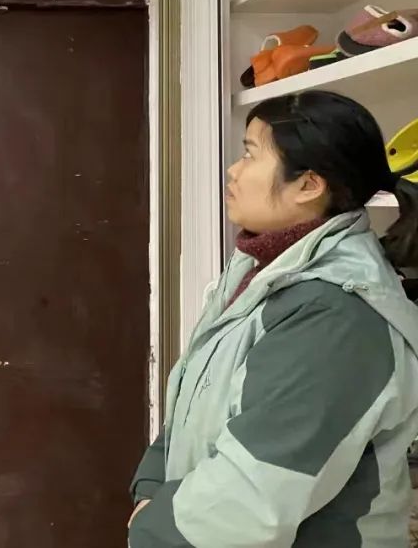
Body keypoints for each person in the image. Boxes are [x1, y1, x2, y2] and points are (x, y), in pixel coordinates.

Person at [129, 90, 418, 547]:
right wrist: (151, 490)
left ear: (308, 185)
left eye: (250, 154)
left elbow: (251, 500)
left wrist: (153, 528)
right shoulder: (259, 269)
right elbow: (196, 402)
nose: (233, 170)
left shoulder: (335, 315)